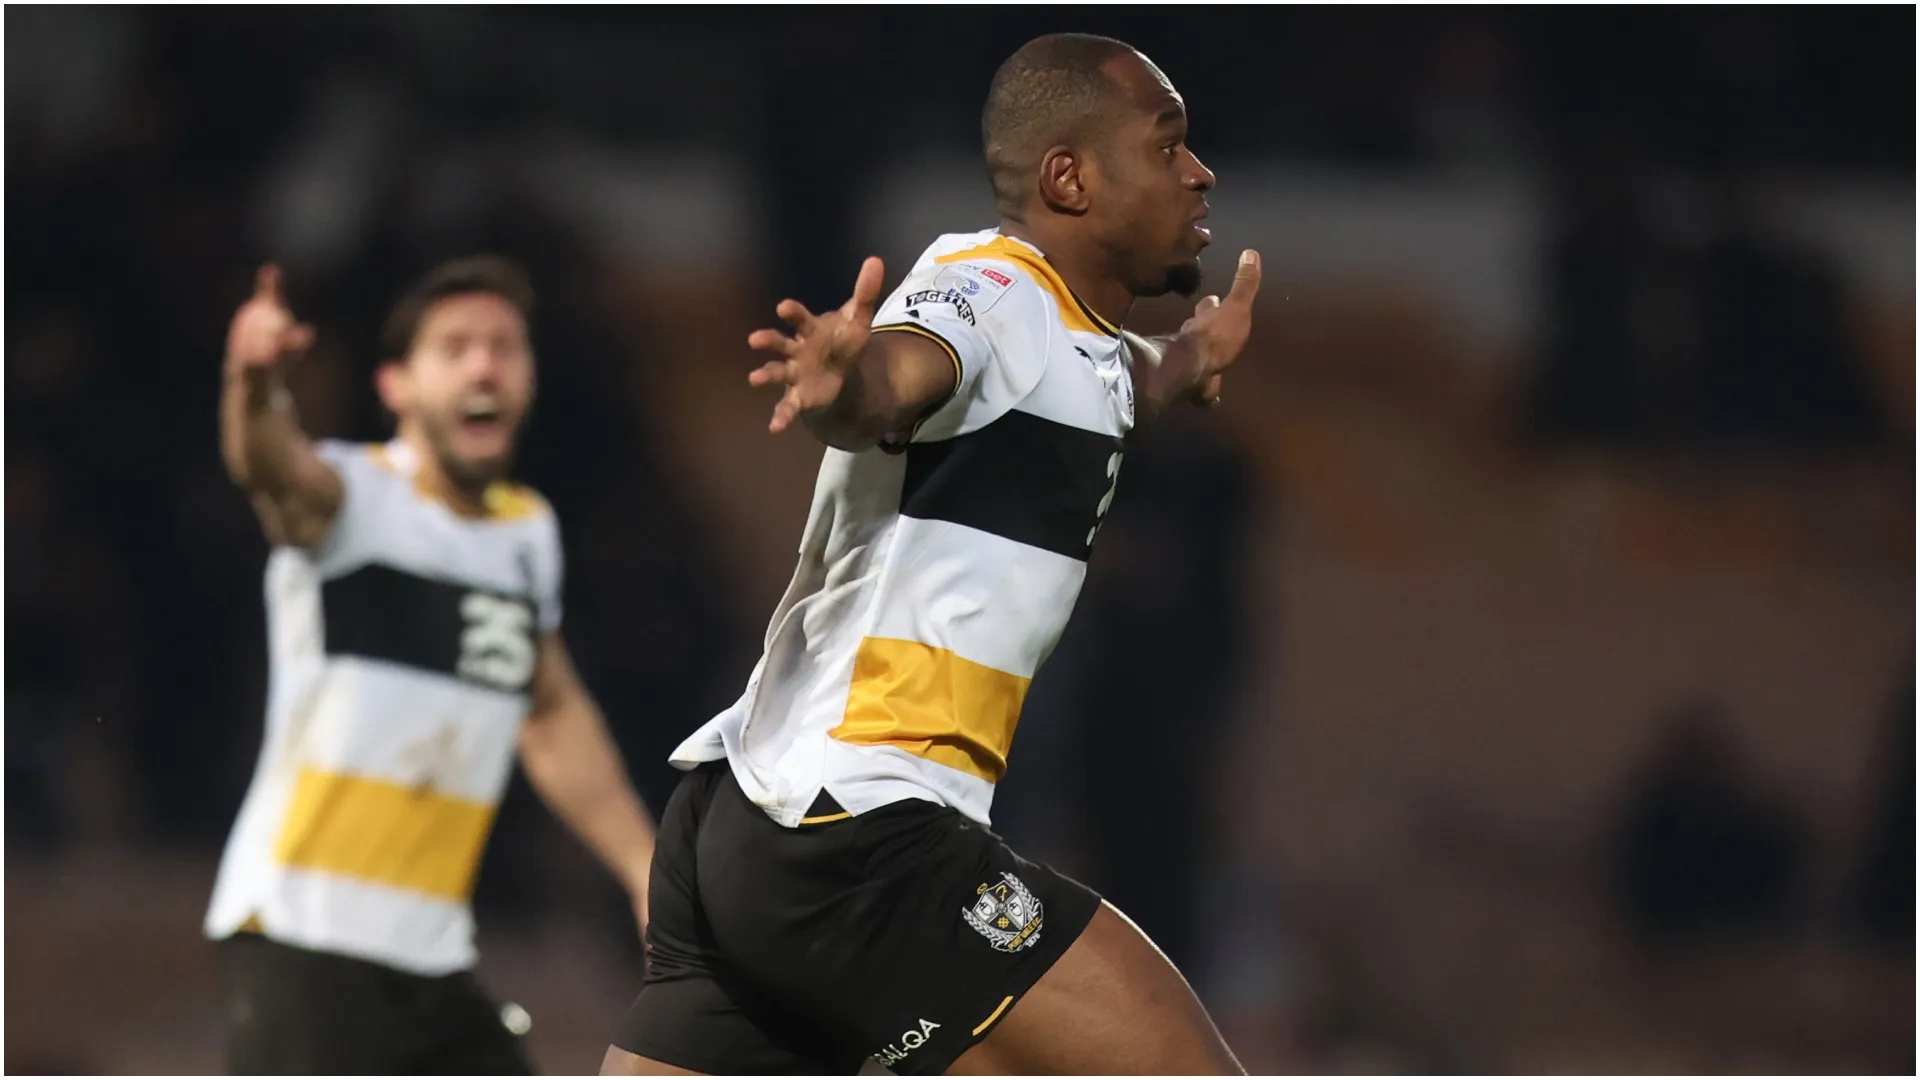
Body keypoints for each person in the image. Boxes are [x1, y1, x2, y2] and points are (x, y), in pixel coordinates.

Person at [606, 33, 1257, 1076]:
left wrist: (1187, 361)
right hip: (860, 831)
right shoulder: (988, 293)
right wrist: (849, 390)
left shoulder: (1072, 340)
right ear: (1068, 177)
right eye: (1168, 144)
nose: (1200, 171)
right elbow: (912, 375)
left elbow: (1109, 375)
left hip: (738, 828)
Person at [208, 256, 659, 1074]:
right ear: (396, 385)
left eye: (504, 346)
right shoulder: (352, 499)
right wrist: (253, 383)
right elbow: (268, 467)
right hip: (304, 939)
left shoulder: (526, 534)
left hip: (430, 956)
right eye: (453, 347)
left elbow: (551, 714)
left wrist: (643, 868)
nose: (483, 364)